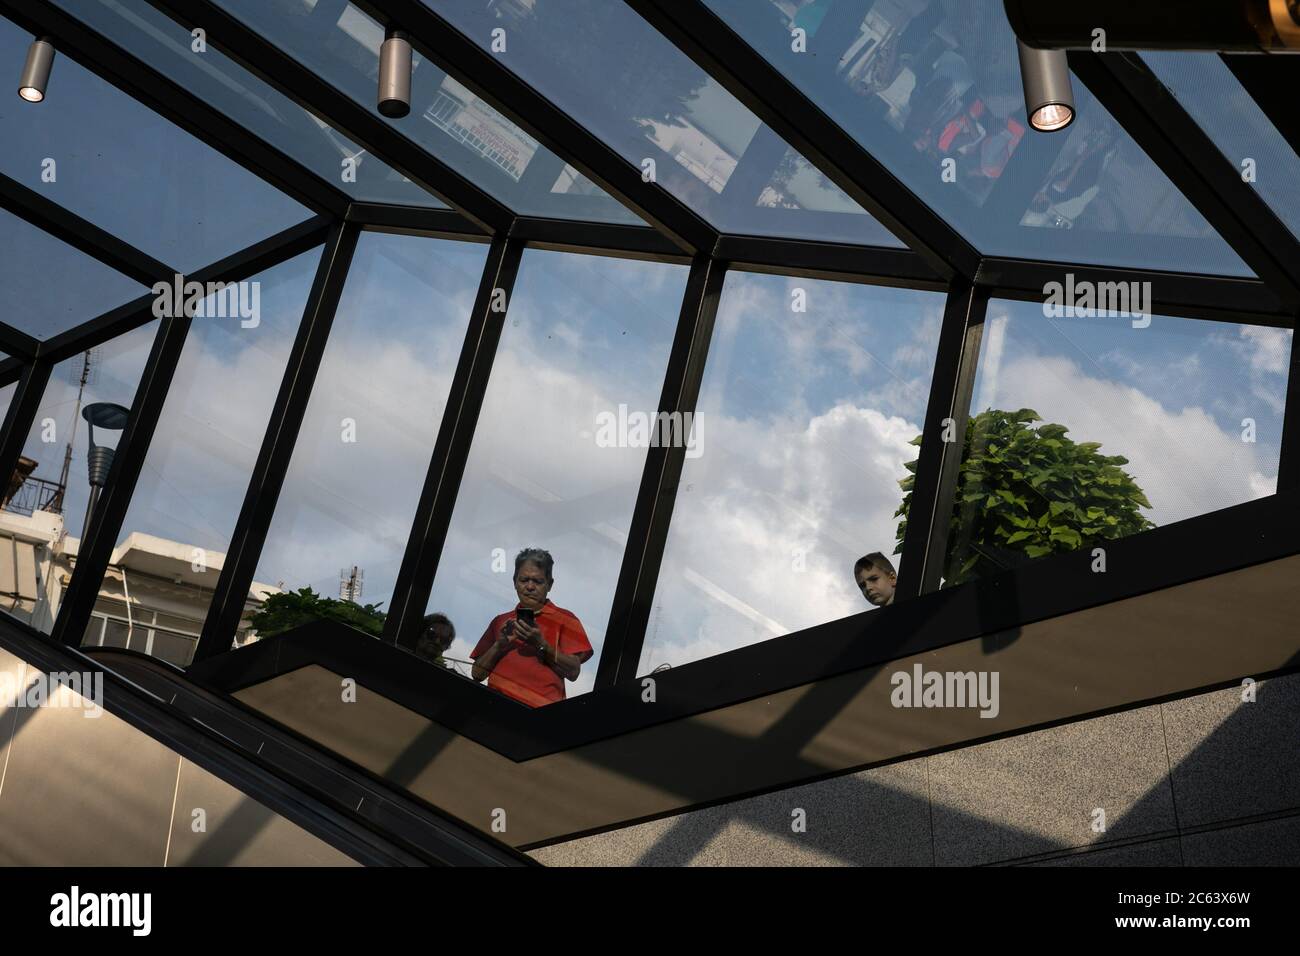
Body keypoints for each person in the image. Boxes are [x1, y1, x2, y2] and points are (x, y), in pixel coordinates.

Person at [470, 548, 593, 708]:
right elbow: (476, 674)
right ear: (514, 582)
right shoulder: (500, 622)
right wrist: (498, 646)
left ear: (550, 584)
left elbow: (573, 672)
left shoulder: (566, 619)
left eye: (537, 581)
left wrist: (541, 644)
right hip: (495, 710)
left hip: (540, 717)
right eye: (524, 580)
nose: (529, 586)